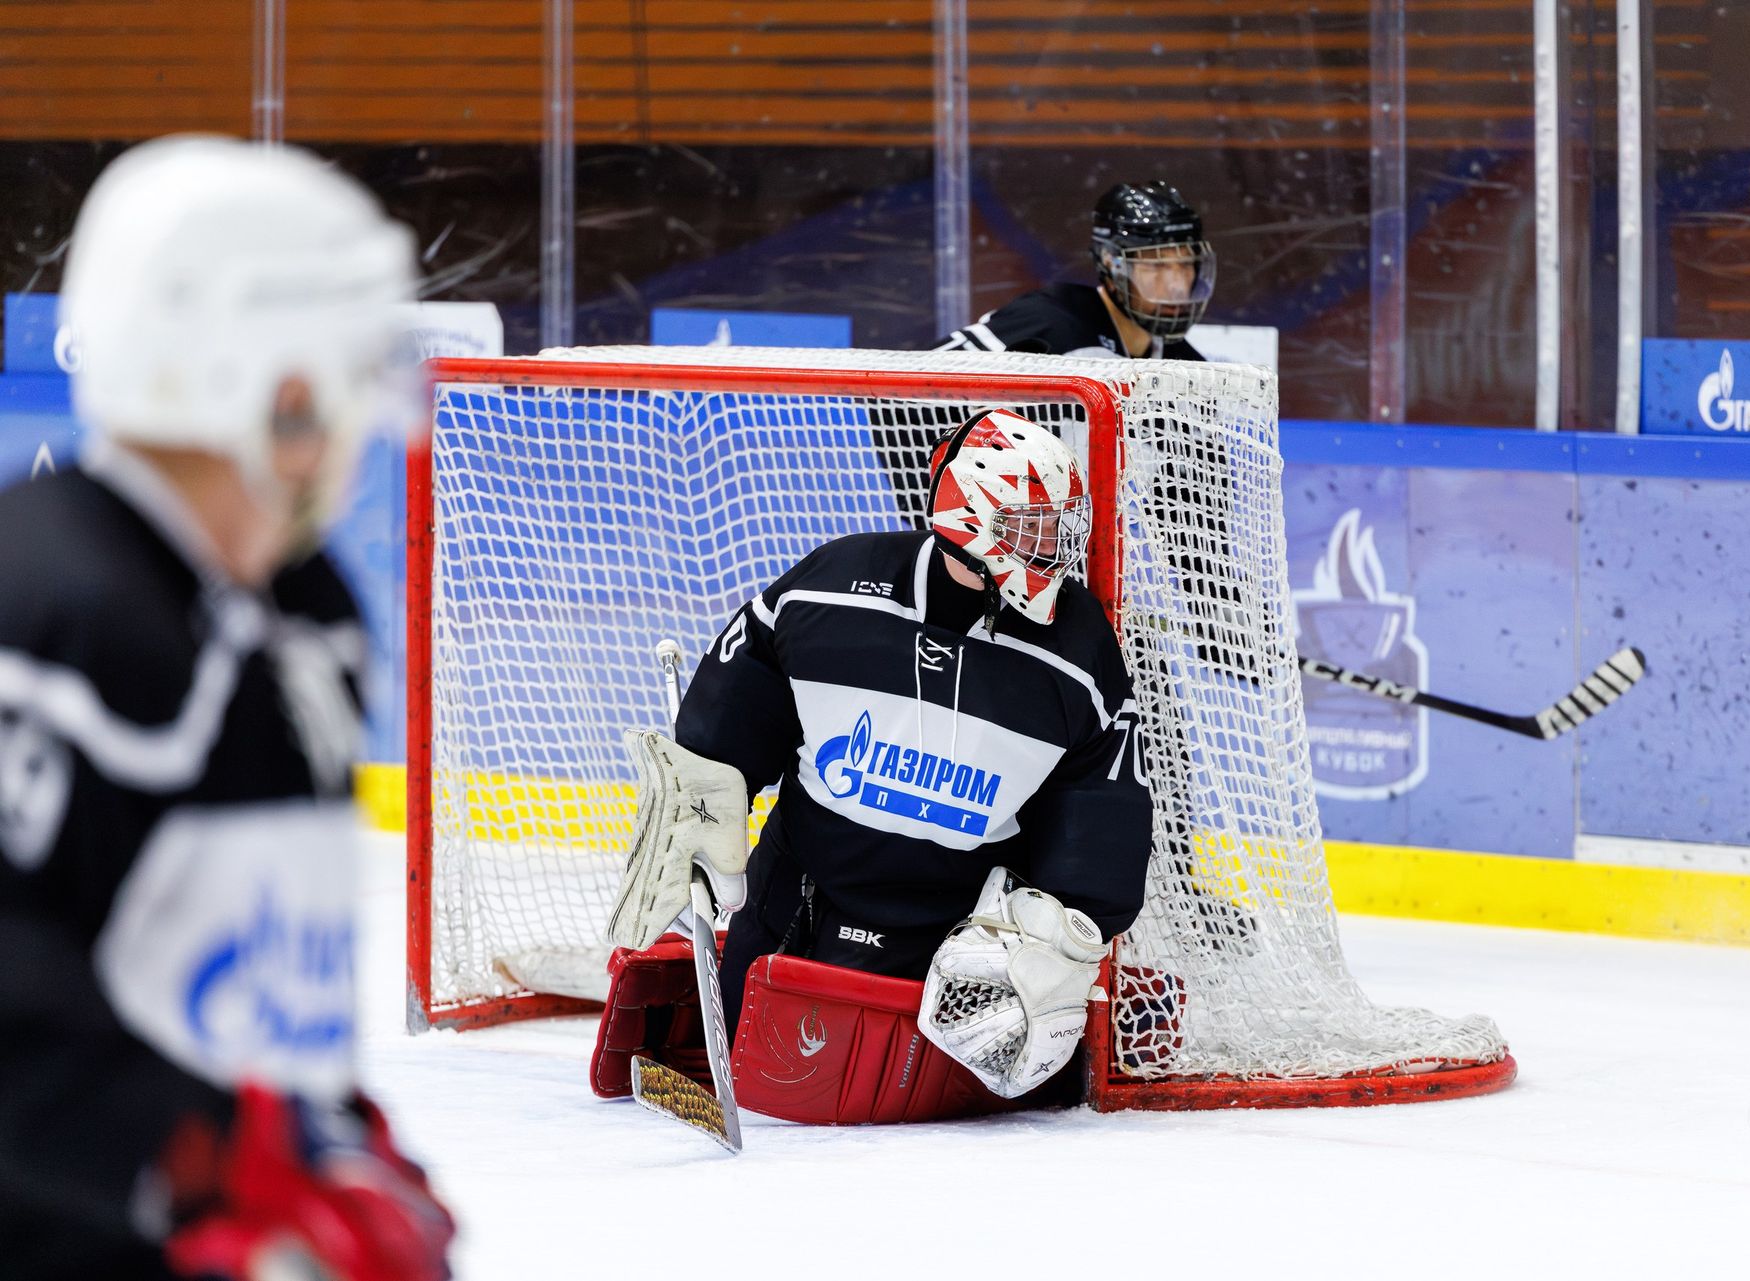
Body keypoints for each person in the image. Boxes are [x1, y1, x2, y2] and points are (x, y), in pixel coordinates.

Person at [0, 136, 453, 1278]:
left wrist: (328, 1139)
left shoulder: (307, 615)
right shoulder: (47, 608)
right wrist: (192, 1160)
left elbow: (261, 983)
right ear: (274, 389)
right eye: (345, 378)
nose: (360, 421)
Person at [590, 408, 1152, 1123]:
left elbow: (1102, 807)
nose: (1054, 548)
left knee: (940, 1117)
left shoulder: (1080, 651)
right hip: (796, 907)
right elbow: (728, 721)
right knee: (749, 1068)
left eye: (1059, 528)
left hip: (956, 953)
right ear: (971, 518)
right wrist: (699, 804)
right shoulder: (829, 589)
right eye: (1031, 528)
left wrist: (1063, 926)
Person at [935, 180, 1216, 362]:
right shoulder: (1050, 322)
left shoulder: (1186, 370)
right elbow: (917, 382)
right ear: (1112, 264)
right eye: (1157, 265)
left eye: (1185, 264)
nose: (1177, 285)